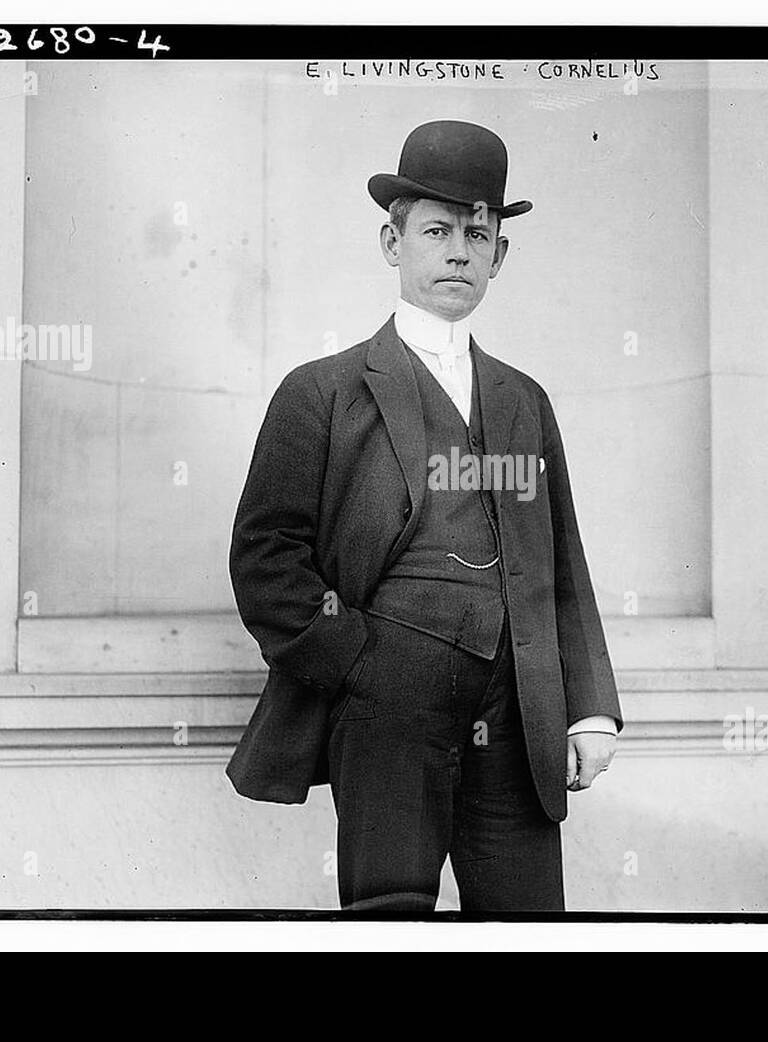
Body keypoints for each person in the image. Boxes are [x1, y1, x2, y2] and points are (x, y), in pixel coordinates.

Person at [227, 120, 621, 912]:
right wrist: (358, 663)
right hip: (386, 706)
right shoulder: (323, 393)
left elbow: (561, 563)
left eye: (479, 233)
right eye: (436, 230)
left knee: (526, 917)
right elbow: (266, 557)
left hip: (516, 708)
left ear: (500, 255)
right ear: (392, 243)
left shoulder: (523, 400)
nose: (459, 252)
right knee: (390, 916)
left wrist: (589, 706)